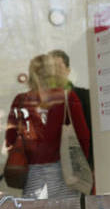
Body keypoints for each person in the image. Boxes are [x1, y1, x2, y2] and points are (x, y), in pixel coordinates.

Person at [5, 54, 90, 199]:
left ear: (31, 73)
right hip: (65, 173)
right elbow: (83, 138)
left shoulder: (21, 100)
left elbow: (10, 139)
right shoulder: (67, 97)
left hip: (33, 176)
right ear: (54, 72)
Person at [47, 49, 93, 167]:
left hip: (78, 166)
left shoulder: (83, 96)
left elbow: (91, 134)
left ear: (68, 70)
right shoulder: (40, 101)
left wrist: (89, 166)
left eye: (58, 67)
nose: (54, 72)